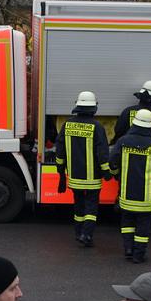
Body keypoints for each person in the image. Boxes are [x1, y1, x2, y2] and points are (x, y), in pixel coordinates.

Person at [55, 90, 112, 247]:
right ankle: (87, 235)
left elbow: (59, 151)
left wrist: (61, 174)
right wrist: (106, 171)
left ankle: (78, 232)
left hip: (74, 176)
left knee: (78, 205)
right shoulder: (97, 127)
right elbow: (102, 152)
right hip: (92, 178)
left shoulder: (67, 125)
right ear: (94, 109)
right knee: (91, 208)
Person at [110, 109, 151, 263]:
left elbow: (112, 162)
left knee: (127, 222)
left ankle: (128, 249)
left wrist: (116, 174)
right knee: (143, 225)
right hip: (146, 196)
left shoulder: (123, 141)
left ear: (134, 124)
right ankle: (139, 254)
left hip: (126, 193)